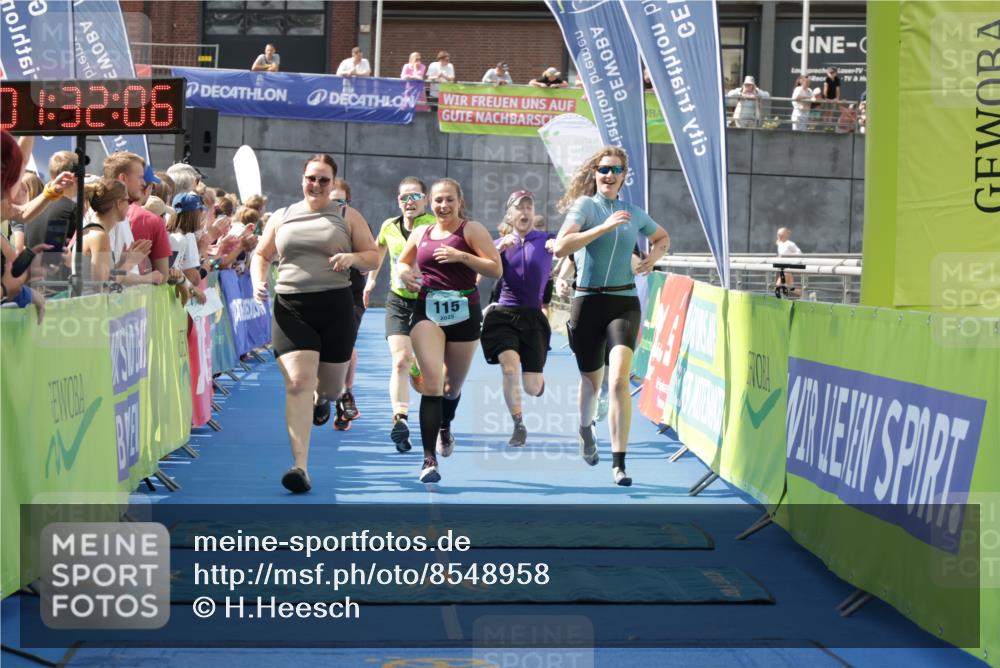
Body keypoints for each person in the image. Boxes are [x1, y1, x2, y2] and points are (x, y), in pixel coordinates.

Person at [250, 154, 378, 493]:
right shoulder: (283, 216)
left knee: (331, 389)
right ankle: (300, 466)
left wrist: (352, 258)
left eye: (324, 180)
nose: (316, 185)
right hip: (291, 306)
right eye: (311, 178)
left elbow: (373, 255)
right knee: (296, 383)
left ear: (333, 184)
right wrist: (257, 281)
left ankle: (324, 400)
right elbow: (261, 255)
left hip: (335, 306)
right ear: (302, 179)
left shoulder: (346, 216)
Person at [553, 147, 670, 486]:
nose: (608, 175)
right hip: (588, 303)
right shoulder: (586, 207)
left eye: (615, 170)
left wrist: (653, 257)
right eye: (603, 169)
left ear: (624, 176)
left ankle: (619, 464)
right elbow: (562, 246)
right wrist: (602, 228)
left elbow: (662, 237)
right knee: (591, 381)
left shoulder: (633, 211)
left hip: (624, 302)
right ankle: (585, 429)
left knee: (618, 379)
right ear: (595, 173)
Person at [396, 178, 502, 483]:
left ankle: (445, 424)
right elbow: (403, 263)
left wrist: (462, 257)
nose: (443, 206)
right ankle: (429, 460)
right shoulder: (421, 231)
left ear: (460, 202)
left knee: (451, 388)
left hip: (464, 314)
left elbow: (495, 268)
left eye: (449, 201)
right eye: (438, 200)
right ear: (430, 201)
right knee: (432, 383)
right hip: (427, 310)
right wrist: (406, 274)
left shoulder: (471, 230)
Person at [364, 177, 436, 452]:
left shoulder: (432, 226)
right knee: (399, 360)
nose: (409, 202)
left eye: (415, 196)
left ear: (425, 200)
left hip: (427, 303)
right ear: (398, 202)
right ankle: (400, 420)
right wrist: (371, 281)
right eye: (404, 197)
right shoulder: (389, 226)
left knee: (432, 374)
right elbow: (378, 250)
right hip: (398, 301)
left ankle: (418, 370)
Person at [481, 191, 555, 447]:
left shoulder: (548, 240)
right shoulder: (497, 243)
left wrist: (562, 251)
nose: (524, 212)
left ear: (533, 213)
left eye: (529, 207)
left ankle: (538, 382)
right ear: (509, 215)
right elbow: (474, 271)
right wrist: (494, 250)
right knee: (509, 367)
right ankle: (518, 424)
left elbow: (575, 248)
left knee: (532, 387)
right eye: (519, 208)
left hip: (533, 317)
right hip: (504, 313)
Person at [327, 178, 376, 431]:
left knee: (346, 343)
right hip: (317, 292)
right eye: (330, 199)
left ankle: (346, 394)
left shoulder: (357, 222)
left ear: (348, 203)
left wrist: (352, 259)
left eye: (340, 201)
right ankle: (323, 394)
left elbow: (371, 260)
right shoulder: (306, 221)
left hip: (349, 293)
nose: (335, 205)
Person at [103, 152, 169, 282]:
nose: (143, 183)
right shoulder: (104, 216)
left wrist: (127, 262)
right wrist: (145, 276)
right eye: (140, 177)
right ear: (123, 178)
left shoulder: (120, 217)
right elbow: (104, 281)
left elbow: (112, 273)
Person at [167, 192, 208, 304]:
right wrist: (192, 288)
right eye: (200, 211)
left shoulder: (179, 236)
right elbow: (172, 273)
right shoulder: (179, 238)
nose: (202, 214)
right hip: (169, 300)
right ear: (194, 214)